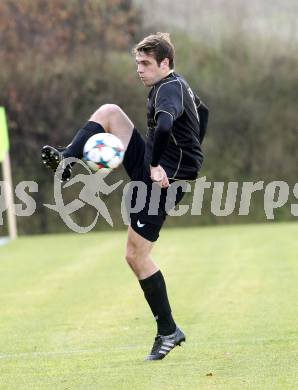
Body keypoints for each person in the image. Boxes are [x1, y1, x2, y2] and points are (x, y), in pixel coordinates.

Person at [41, 32, 206, 360]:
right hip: (156, 167)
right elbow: (205, 112)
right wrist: (193, 150)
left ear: (165, 63)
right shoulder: (176, 84)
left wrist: (163, 165)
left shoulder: (169, 90)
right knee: (111, 112)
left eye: (146, 64)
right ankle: (69, 157)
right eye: (137, 63)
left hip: (163, 181)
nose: (139, 70)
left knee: (136, 255)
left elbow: (165, 125)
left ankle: (169, 330)